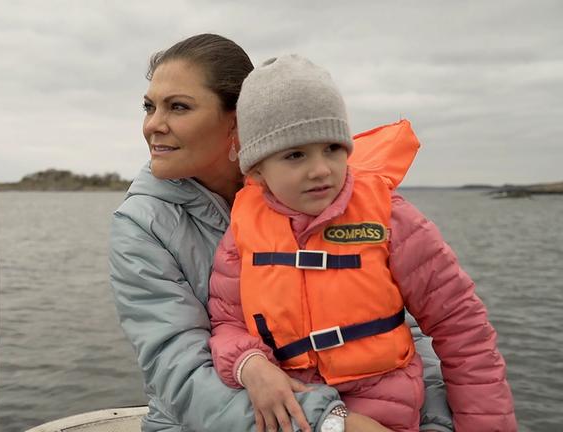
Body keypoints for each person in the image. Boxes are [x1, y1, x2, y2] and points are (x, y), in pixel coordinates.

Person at [109, 34, 453, 432]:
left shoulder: (321, 193)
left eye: (178, 107)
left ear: (238, 120)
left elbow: (401, 327)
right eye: (149, 106)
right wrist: (329, 423)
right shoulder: (141, 225)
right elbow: (179, 370)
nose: (153, 125)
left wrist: (436, 420)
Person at [208, 55, 516, 432]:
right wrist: (250, 364)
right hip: (297, 413)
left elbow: (462, 328)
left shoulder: (392, 219)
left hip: (385, 415)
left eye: (332, 148)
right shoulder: (242, 231)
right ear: (257, 168)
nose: (321, 169)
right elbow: (227, 323)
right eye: (295, 155)